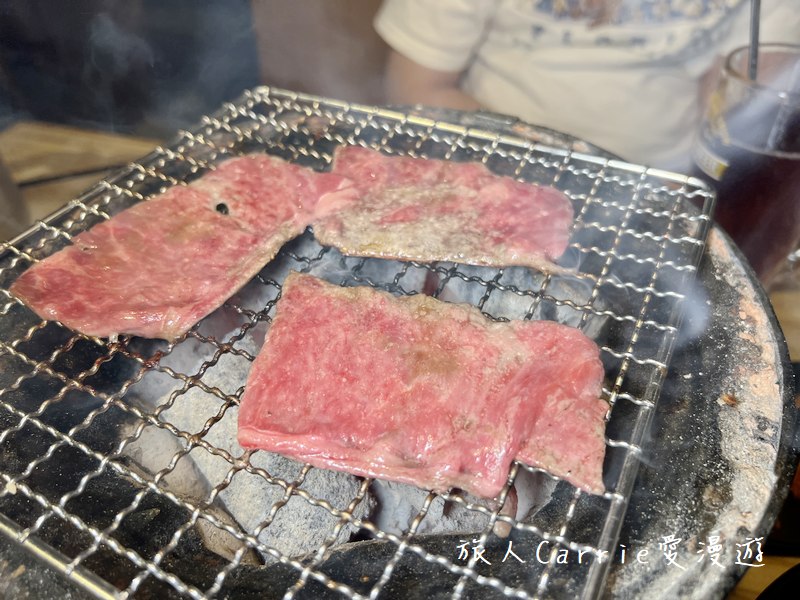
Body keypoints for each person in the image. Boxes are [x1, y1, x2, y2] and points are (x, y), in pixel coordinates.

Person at [374, 0, 800, 172]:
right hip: (495, 163)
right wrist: (556, 172)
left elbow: (742, 109)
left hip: (660, 186)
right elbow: (417, 89)